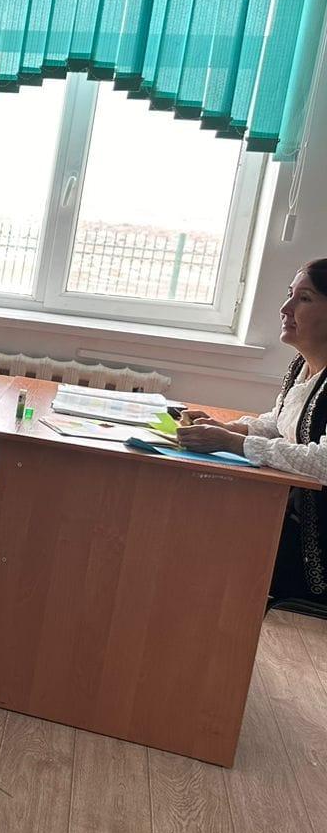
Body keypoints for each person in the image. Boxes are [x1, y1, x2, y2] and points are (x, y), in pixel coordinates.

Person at [179, 259, 327, 612]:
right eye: (290, 294)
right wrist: (228, 428)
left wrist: (235, 444)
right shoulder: (303, 367)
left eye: (304, 299)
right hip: (295, 521)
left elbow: (324, 462)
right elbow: (281, 423)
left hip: (318, 548)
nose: (285, 308)